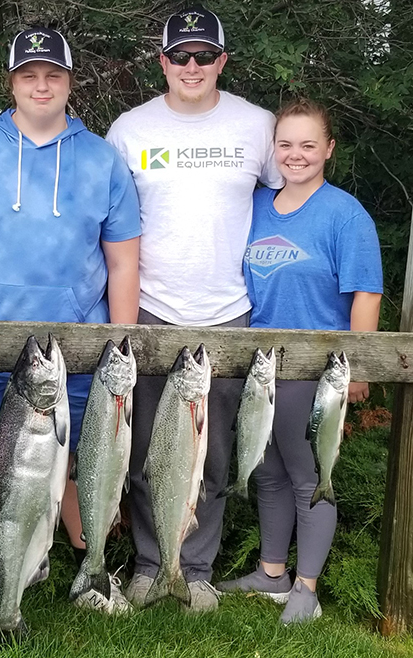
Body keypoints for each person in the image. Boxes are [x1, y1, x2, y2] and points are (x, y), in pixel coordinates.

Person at [0, 26, 141, 621]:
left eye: (54, 75)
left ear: (70, 81)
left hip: (77, 344)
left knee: (73, 460)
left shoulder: (101, 158)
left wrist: (119, 343)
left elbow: (122, 257)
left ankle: (94, 576)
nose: (41, 85)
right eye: (28, 75)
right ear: (12, 81)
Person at [106, 6, 283, 611]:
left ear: (222, 61)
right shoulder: (129, 130)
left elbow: (293, 204)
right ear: (162, 61)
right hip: (150, 308)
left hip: (231, 312)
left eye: (203, 55)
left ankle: (198, 567)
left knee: (212, 452)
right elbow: (107, 223)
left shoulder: (258, 126)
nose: (191, 66)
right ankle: (151, 565)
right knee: (147, 452)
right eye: (179, 55)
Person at [216, 98, 382, 624]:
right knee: (267, 474)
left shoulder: (344, 214)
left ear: (328, 149)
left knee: (310, 475)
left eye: (308, 144)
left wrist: (360, 367)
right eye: (285, 144)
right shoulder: (258, 206)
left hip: (316, 371)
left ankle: (305, 587)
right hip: (261, 365)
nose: (296, 154)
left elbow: (366, 293)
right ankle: (271, 573)